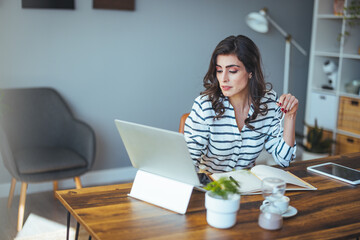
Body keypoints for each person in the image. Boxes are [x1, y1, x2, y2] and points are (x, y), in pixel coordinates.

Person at [184, 35, 298, 173]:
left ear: (250, 72)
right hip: (212, 188)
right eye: (219, 70)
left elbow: (283, 160)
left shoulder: (268, 102)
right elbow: (187, 162)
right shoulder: (205, 105)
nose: (224, 78)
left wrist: (290, 117)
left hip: (248, 189)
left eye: (232, 71)